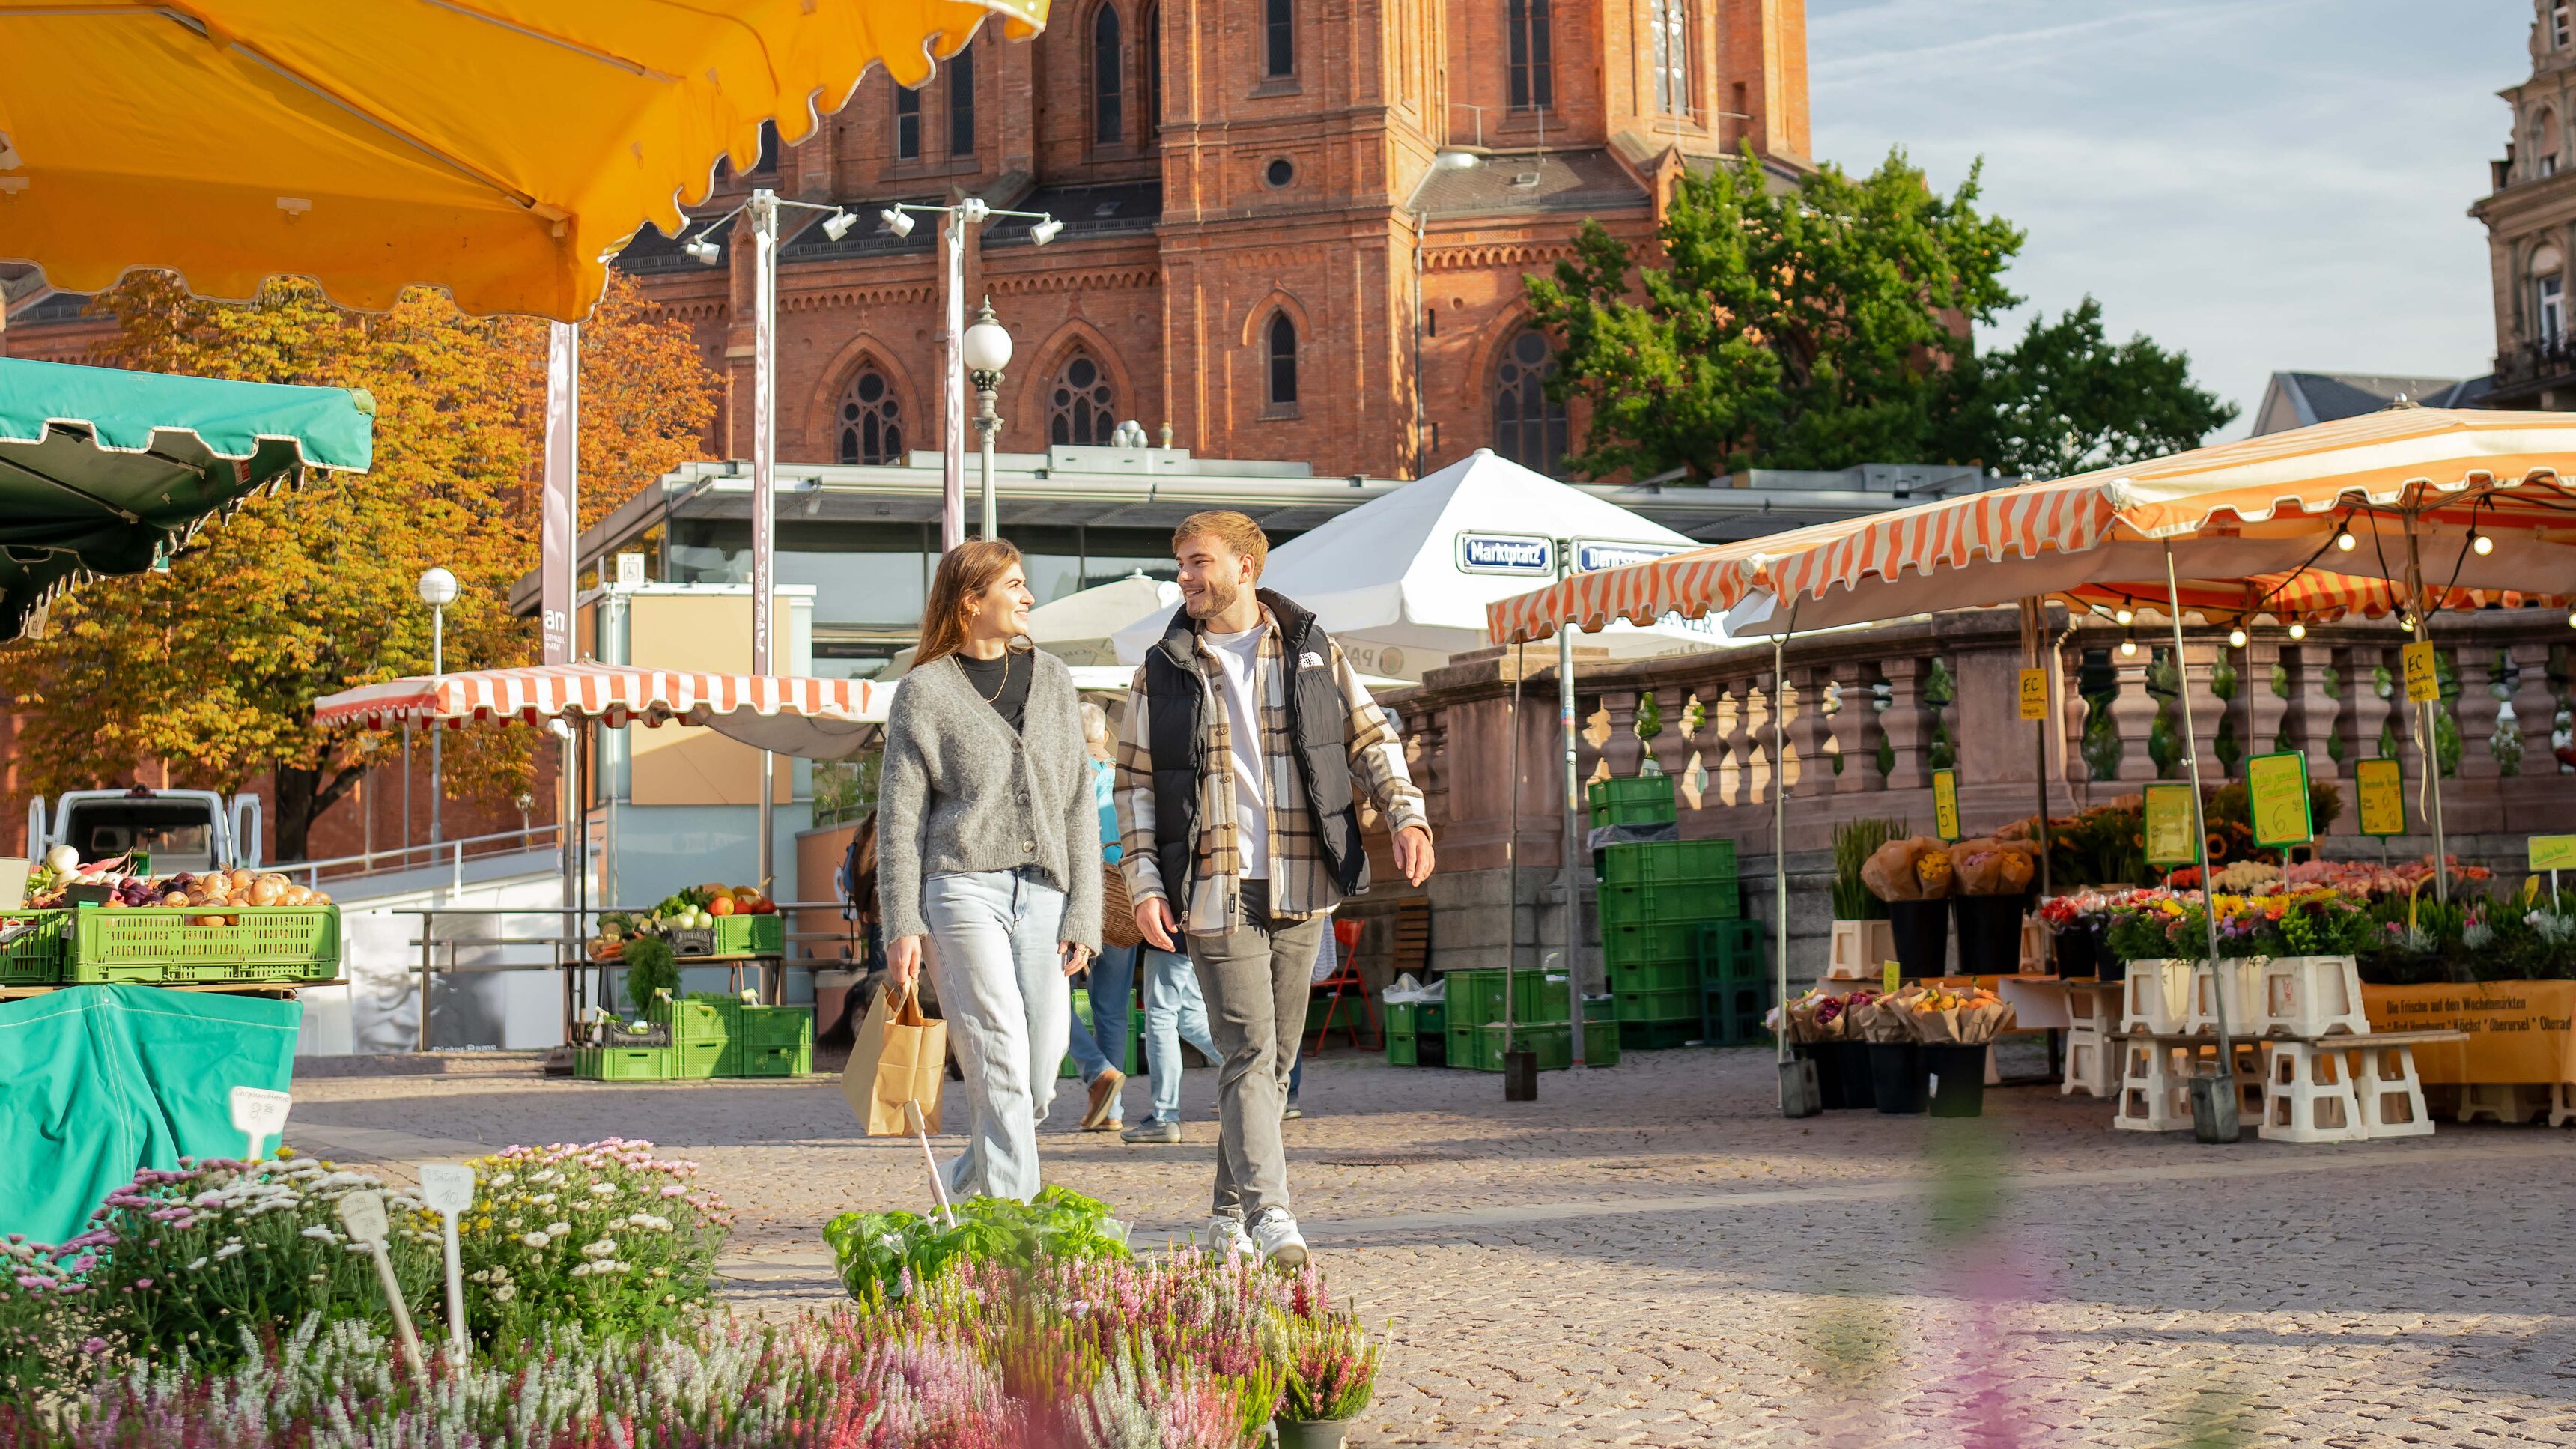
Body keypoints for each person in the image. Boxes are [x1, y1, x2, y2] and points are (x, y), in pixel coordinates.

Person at [1114, 510, 1434, 1266]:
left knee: (1277, 1062)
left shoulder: (1311, 651)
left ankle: (1226, 1217)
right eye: (1181, 563)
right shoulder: (1163, 668)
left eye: (1198, 562)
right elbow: (1134, 785)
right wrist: (1143, 883)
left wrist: (1407, 816)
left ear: (1244, 567)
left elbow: (1370, 738)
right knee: (1249, 1050)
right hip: (1211, 885)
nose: (1185, 577)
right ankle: (1272, 1216)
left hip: (1301, 878)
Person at [877, 539, 1101, 1203]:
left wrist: (1085, 909)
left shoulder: (1053, 679)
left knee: (1038, 1074)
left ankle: (957, 1185)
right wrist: (902, 921)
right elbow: (900, 819)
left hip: (1045, 891)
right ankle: (1015, 1231)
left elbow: (1078, 802)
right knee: (997, 1050)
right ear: (971, 600)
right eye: (1014, 585)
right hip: (962, 888)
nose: (1028, 596)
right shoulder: (923, 691)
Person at [1063, 703, 1132, 1132]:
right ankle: (1114, 1110)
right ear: (1105, 736)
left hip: (1075, 900)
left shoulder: (1068, 776)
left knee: (1050, 997)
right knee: (1112, 1009)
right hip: (1124, 899)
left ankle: (1096, 1071)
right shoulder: (1126, 776)